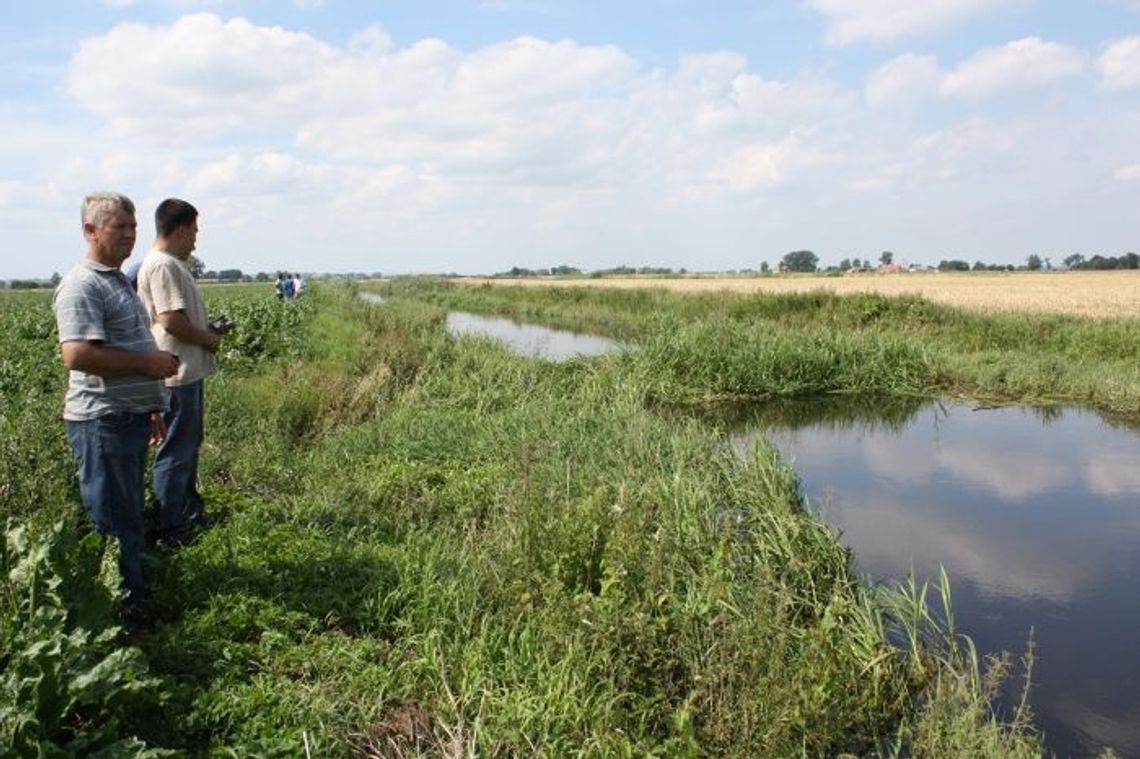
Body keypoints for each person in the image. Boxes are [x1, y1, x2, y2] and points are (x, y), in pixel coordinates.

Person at [53, 192, 180, 612]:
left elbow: (124, 344)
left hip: (127, 418)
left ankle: (131, 603)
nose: (129, 236)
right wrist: (148, 364)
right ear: (90, 231)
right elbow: (78, 355)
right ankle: (117, 618)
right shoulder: (83, 284)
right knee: (112, 522)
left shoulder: (115, 280)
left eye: (133, 227)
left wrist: (151, 406)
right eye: (118, 228)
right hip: (102, 422)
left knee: (126, 516)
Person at [137, 198, 231, 545]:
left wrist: (209, 334)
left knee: (187, 445)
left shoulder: (170, 264)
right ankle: (171, 529)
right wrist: (208, 338)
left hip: (185, 371)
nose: (195, 238)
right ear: (178, 229)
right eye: (193, 230)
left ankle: (189, 512)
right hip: (175, 375)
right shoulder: (163, 266)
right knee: (176, 449)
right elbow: (171, 320)